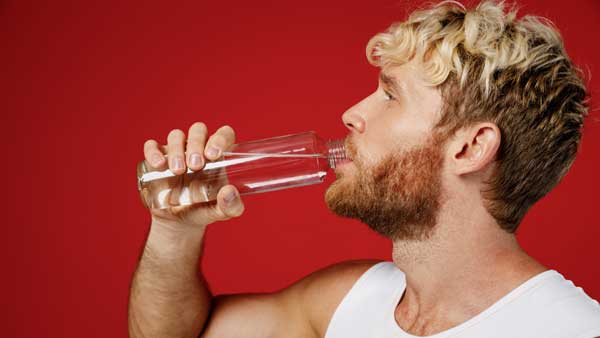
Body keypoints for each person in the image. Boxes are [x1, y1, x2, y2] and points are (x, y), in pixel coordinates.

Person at [128, 1, 600, 337]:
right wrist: (174, 232)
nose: (352, 113)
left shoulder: (573, 328)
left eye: (391, 96)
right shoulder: (348, 300)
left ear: (470, 147)